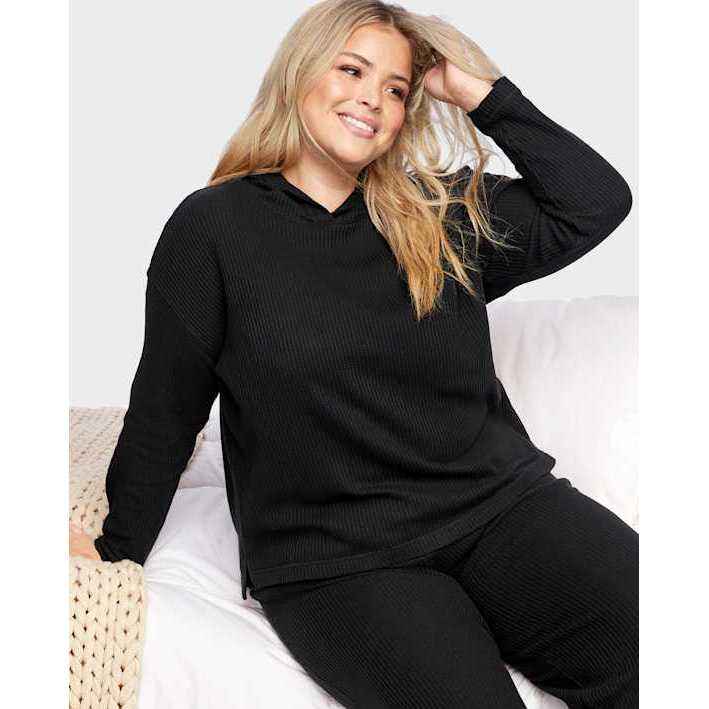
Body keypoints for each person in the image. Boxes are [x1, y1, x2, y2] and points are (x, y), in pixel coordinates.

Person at [70, 1, 637, 707]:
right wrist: (115, 550)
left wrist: (479, 92)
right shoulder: (212, 229)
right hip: (337, 559)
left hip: (500, 508)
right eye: (351, 70)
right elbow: (166, 408)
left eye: (396, 88)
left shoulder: (438, 212)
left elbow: (594, 201)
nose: (373, 97)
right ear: (299, 73)